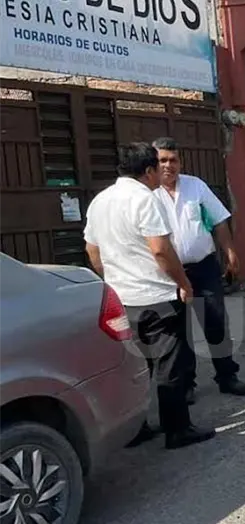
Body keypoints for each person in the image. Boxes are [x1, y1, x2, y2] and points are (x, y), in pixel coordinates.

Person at [84, 143, 215, 449]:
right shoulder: (145, 199)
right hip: (156, 297)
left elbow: (92, 249)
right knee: (171, 365)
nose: (161, 174)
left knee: (136, 367)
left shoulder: (100, 201)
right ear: (148, 171)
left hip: (120, 298)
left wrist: (112, 279)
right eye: (157, 167)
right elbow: (160, 249)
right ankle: (177, 429)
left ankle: (135, 427)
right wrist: (183, 282)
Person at [152, 137, 245, 403]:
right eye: (162, 160)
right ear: (154, 163)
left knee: (215, 322)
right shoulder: (147, 194)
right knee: (179, 330)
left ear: (180, 162)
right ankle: (186, 384)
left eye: (173, 160)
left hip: (204, 266)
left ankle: (227, 376)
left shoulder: (195, 186)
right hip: (168, 272)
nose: (168, 166)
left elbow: (219, 220)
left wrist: (230, 252)